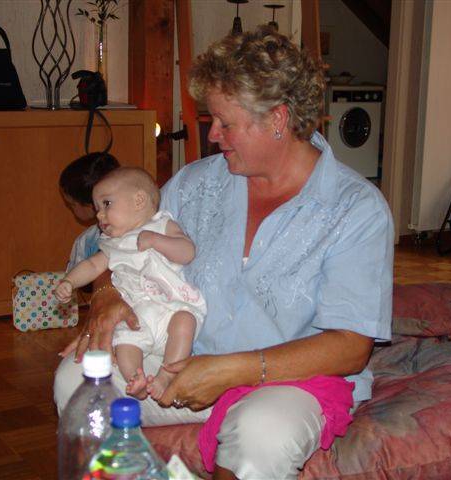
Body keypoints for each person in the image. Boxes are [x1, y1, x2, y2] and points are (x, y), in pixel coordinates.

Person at [54, 25, 393, 480]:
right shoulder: (197, 184)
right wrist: (108, 294)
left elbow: (351, 346)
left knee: (261, 434)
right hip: (175, 359)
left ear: (278, 119)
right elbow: (121, 247)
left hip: (288, 383)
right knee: (75, 378)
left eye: (225, 122)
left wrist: (229, 371)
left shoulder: (354, 209)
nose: (213, 135)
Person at [55, 167, 206, 401]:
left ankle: (167, 375)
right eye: (97, 208)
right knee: (125, 344)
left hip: (170, 308)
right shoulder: (112, 244)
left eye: (106, 204)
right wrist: (69, 281)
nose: (99, 215)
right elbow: (92, 266)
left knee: (185, 322)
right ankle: (137, 380)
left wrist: (157, 241)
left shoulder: (161, 225)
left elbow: (187, 252)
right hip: (135, 315)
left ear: (139, 200)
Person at [59, 152, 120, 272]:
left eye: (71, 204)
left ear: (91, 206)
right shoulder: (146, 226)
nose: (71, 209)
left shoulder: (86, 241)